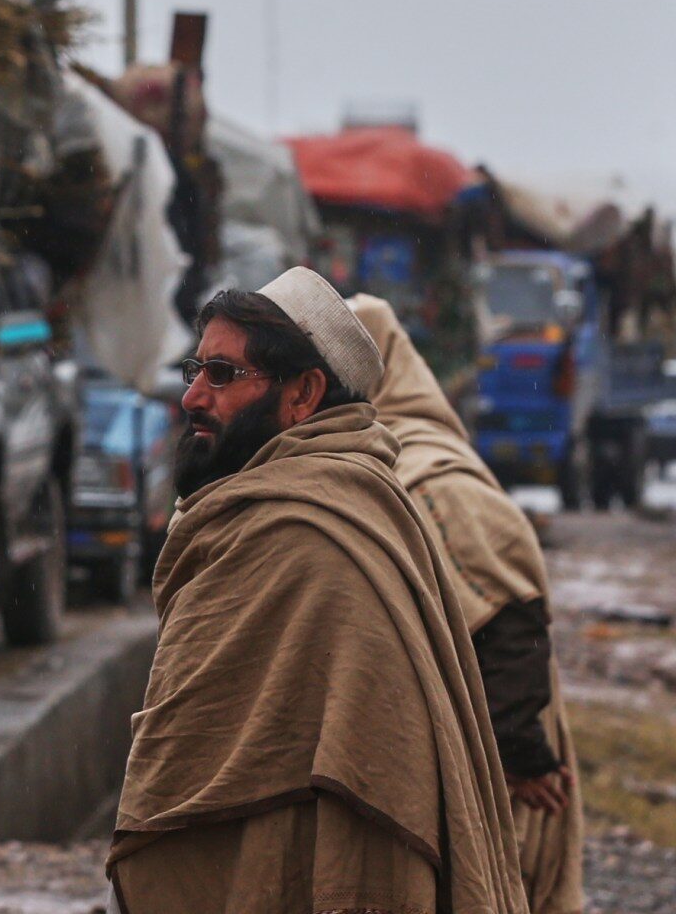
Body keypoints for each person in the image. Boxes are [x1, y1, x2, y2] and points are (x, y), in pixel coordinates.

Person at [110, 267, 528, 914]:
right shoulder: (315, 503)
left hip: (303, 866)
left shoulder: (303, 529)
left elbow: (360, 758)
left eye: (222, 375)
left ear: (303, 393)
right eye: (196, 370)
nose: (192, 396)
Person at [351, 294, 585, 914]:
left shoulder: (435, 475)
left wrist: (523, 753)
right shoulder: (356, 465)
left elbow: (510, 615)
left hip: (495, 767)